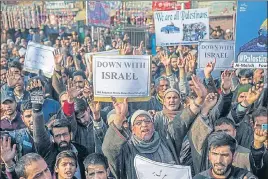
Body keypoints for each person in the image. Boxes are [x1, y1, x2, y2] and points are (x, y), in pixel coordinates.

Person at [103, 75, 207, 179]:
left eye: (147, 121)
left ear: (153, 125)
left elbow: (181, 121)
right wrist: (120, 118)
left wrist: (200, 99)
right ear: (133, 130)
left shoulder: (166, 139)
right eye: (138, 123)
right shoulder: (127, 149)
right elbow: (109, 149)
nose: (144, 125)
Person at [30, 79, 89, 178]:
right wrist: (37, 109)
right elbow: (39, 134)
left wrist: (69, 102)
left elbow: (70, 120)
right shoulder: (49, 151)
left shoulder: (82, 151)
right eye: (57, 136)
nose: (62, 139)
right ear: (52, 138)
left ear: (71, 135)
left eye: (65, 134)